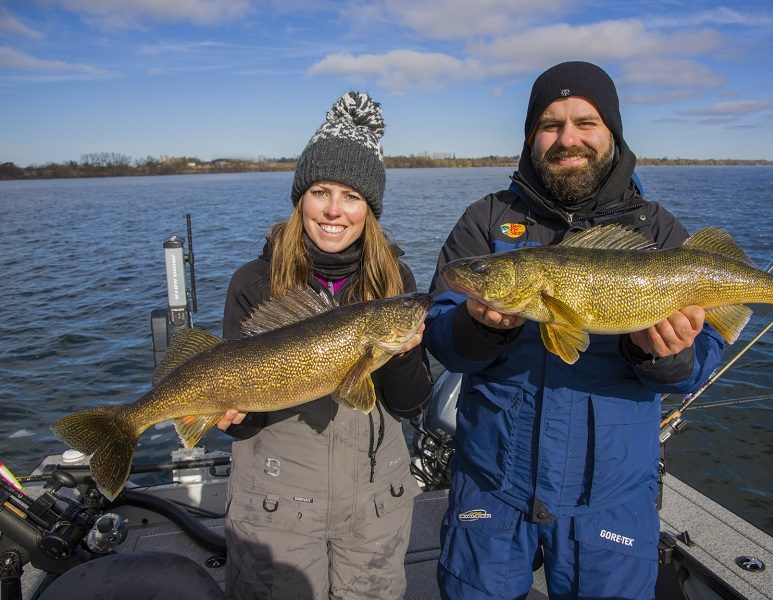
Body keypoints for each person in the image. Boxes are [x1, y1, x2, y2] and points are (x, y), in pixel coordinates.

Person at [424, 62, 725, 599]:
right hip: (493, 488)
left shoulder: (657, 231)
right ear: (530, 137)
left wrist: (664, 355)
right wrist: (478, 331)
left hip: (610, 498)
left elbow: (702, 358)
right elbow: (439, 334)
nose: (568, 139)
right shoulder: (487, 221)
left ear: (611, 132)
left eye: (585, 122)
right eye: (550, 124)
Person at [217, 91, 433, 599]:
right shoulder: (252, 282)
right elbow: (243, 421)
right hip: (275, 506)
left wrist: (400, 353)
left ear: (370, 208)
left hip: (375, 505)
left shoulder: (394, 278)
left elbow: (409, 402)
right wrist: (229, 411)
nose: (335, 210)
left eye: (352, 197)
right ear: (301, 199)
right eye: (321, 191)